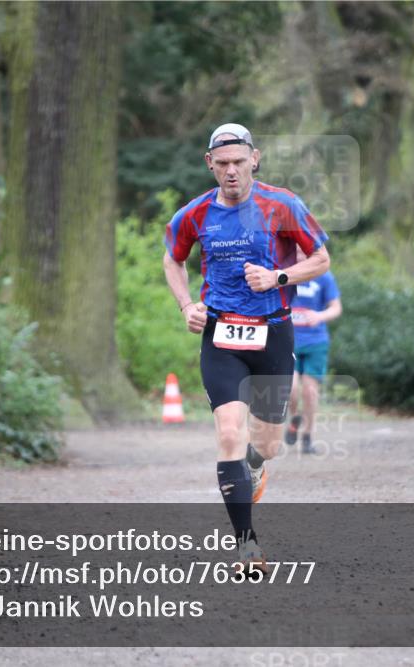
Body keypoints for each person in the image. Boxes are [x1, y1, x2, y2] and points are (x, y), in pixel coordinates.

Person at [162, 123, 330, 569]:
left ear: (254, 158)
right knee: (229, 434)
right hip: (221, 336)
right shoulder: (194, 214)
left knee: (268, 444)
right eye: (223, 164)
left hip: (273, 333)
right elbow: (173, 258)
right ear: (210, 165)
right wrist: (185, 307)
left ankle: (257, 464)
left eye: (239, 162)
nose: (231, 171)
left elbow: (321, 259)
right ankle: (247, 546)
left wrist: (279, 277)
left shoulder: (283, 205)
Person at [285, 260, 341, 454]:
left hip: (316, 341)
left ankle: (308, 435)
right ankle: (294, 418)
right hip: (288, 341)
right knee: (290, 389)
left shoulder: (324, 276)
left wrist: (319, 316)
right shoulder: (285, 272)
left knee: (309, 391)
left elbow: (336, 307)